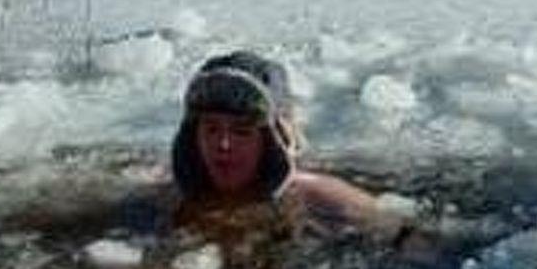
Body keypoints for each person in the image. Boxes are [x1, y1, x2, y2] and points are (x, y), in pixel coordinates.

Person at [169, 50, 410, 242]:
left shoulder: (321, 197)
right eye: (211, 129)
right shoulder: (166, 192)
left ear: (273, 139)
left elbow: (415, 244)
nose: (223, 145)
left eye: (242, 132)